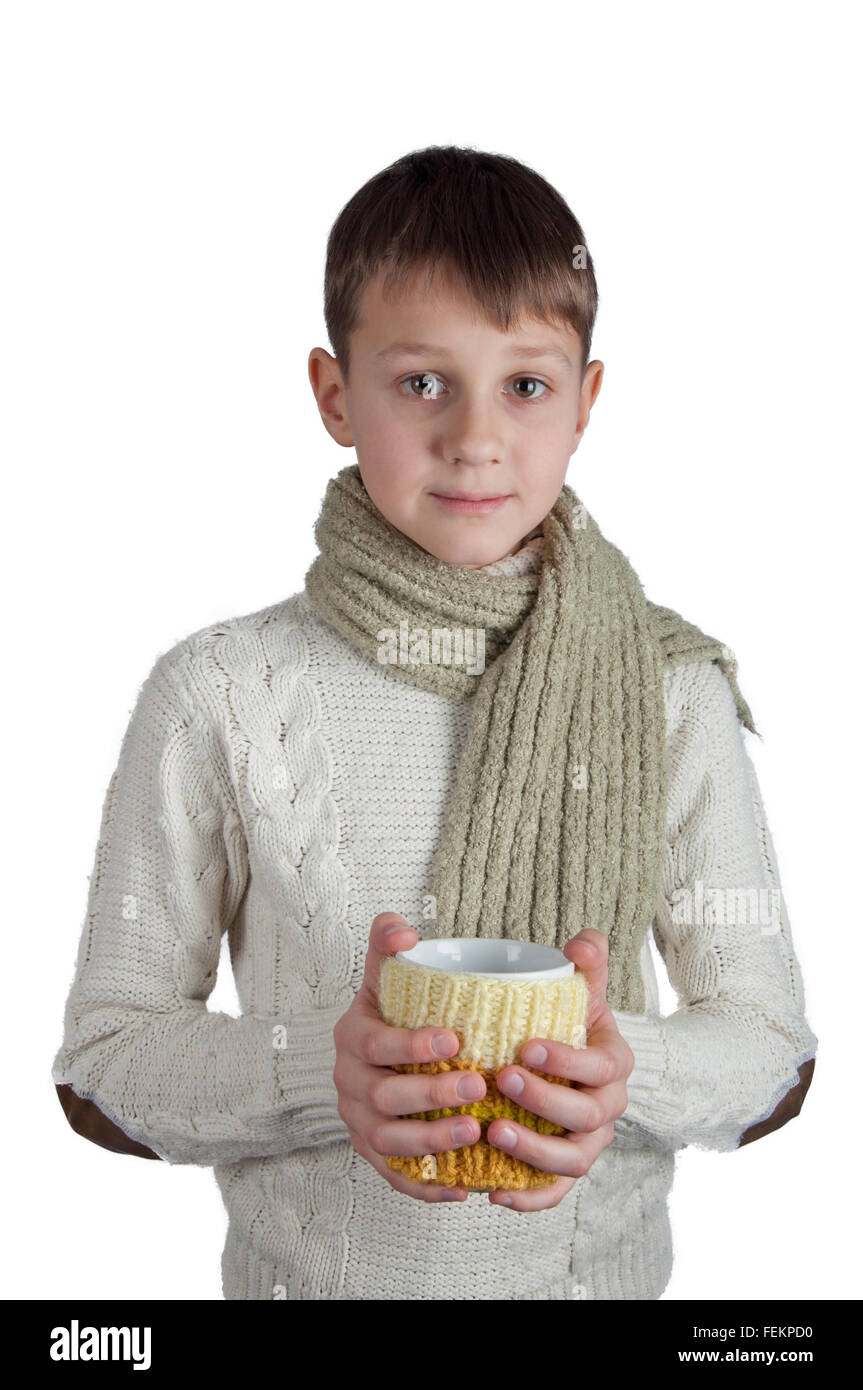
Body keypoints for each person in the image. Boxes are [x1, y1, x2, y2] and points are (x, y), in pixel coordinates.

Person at [53, 145, 818, 1300]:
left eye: (524, 383)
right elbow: (103, 1066)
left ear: (585, 402)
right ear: (332, 393)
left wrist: (628, 1072)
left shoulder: (669, 688)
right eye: (421, 381)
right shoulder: (220, 690)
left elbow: (771, 1053)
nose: (475, 435)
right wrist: (323, 1069)